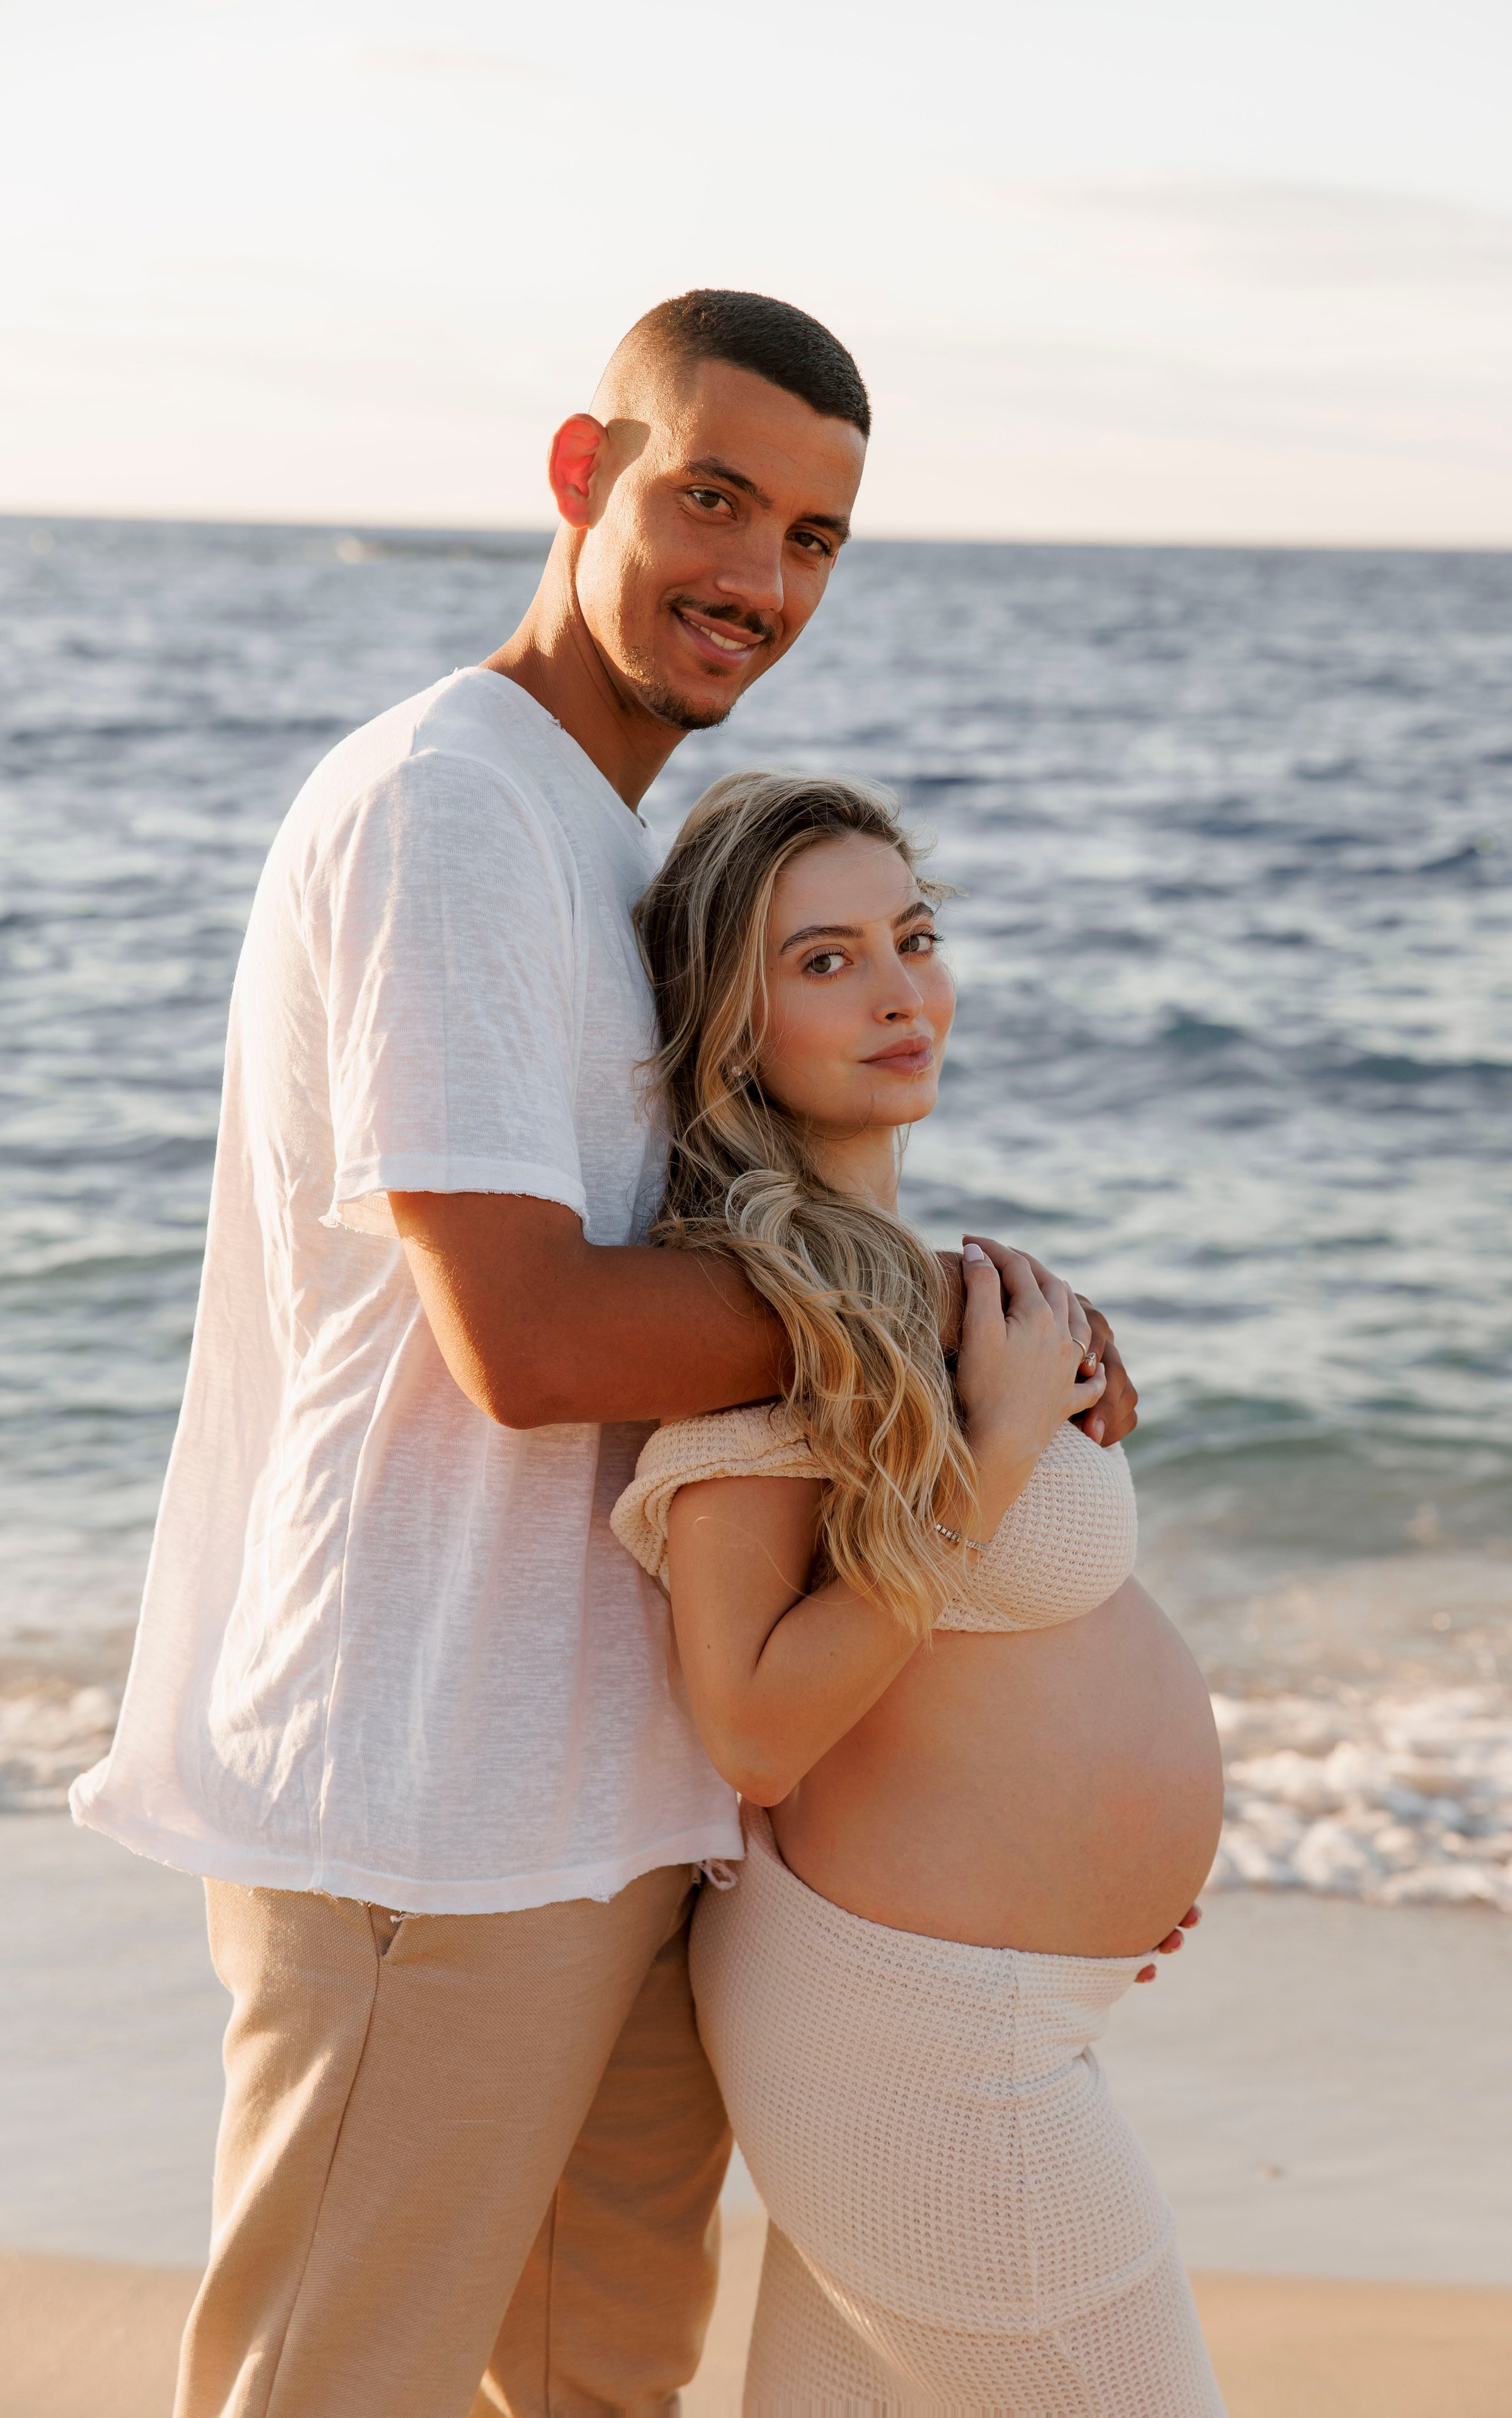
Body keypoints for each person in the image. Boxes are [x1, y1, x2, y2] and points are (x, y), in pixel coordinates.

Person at [69, 292, 1140, 2414]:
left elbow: (724, 1389)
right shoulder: (450, 807)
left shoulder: (611, 843)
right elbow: (536, 1338)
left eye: (816, 538)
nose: (759, 577)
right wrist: (936, 1321)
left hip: (620, 1803)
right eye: (715, 499)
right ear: (585, 477)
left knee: (598, 2388)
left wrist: (1032, 1854)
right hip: (426, 1806)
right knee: (335, 2384)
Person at [611, 769, 1225, 2411]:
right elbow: (750, 1724)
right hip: (921, 2055)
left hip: (974, 2020)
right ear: (731, 1026)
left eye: (916, 935)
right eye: (825, 960)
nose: (901, 988)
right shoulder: (752, 1308)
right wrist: (1005, 1451)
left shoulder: (895, 1278)